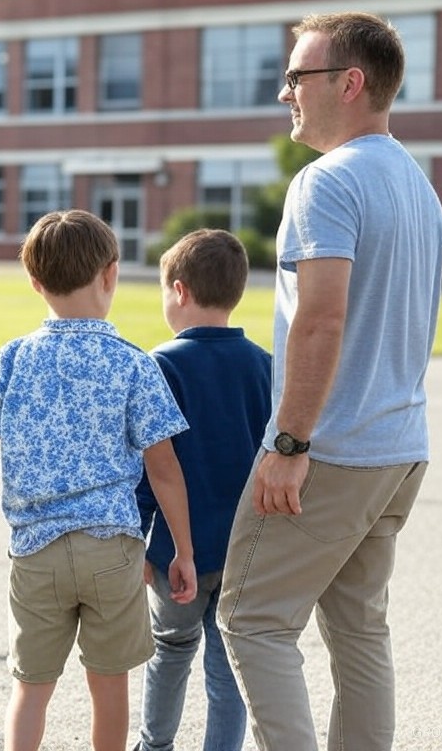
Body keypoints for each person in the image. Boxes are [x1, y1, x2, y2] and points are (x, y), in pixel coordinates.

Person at [216, 12, 442, 751]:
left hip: (332, 449)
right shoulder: (417, 185)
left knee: (252, 618)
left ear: (349, 83)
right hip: (399, 446)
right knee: (359, 632)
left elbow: (321, 320)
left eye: (296, 77)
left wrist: (288, 442)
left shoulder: (327, 183)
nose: (284, 92)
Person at [0, 209, 197, 751]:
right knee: (109, 685)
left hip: (36, 552)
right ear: (111, 274)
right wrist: (183, 551)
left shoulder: (13, 359)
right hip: (112, 548)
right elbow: (164, 471)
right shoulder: (134, 364)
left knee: (31, 688)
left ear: (35, 282)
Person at [134, 229, 271, 751]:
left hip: (176, 549)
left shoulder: (159, 366)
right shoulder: (264, 366)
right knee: (227, 663)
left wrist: (141, 541)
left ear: (180, 290)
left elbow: (150, 466)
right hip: (245, 550)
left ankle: (155, 745)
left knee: (170, 648)